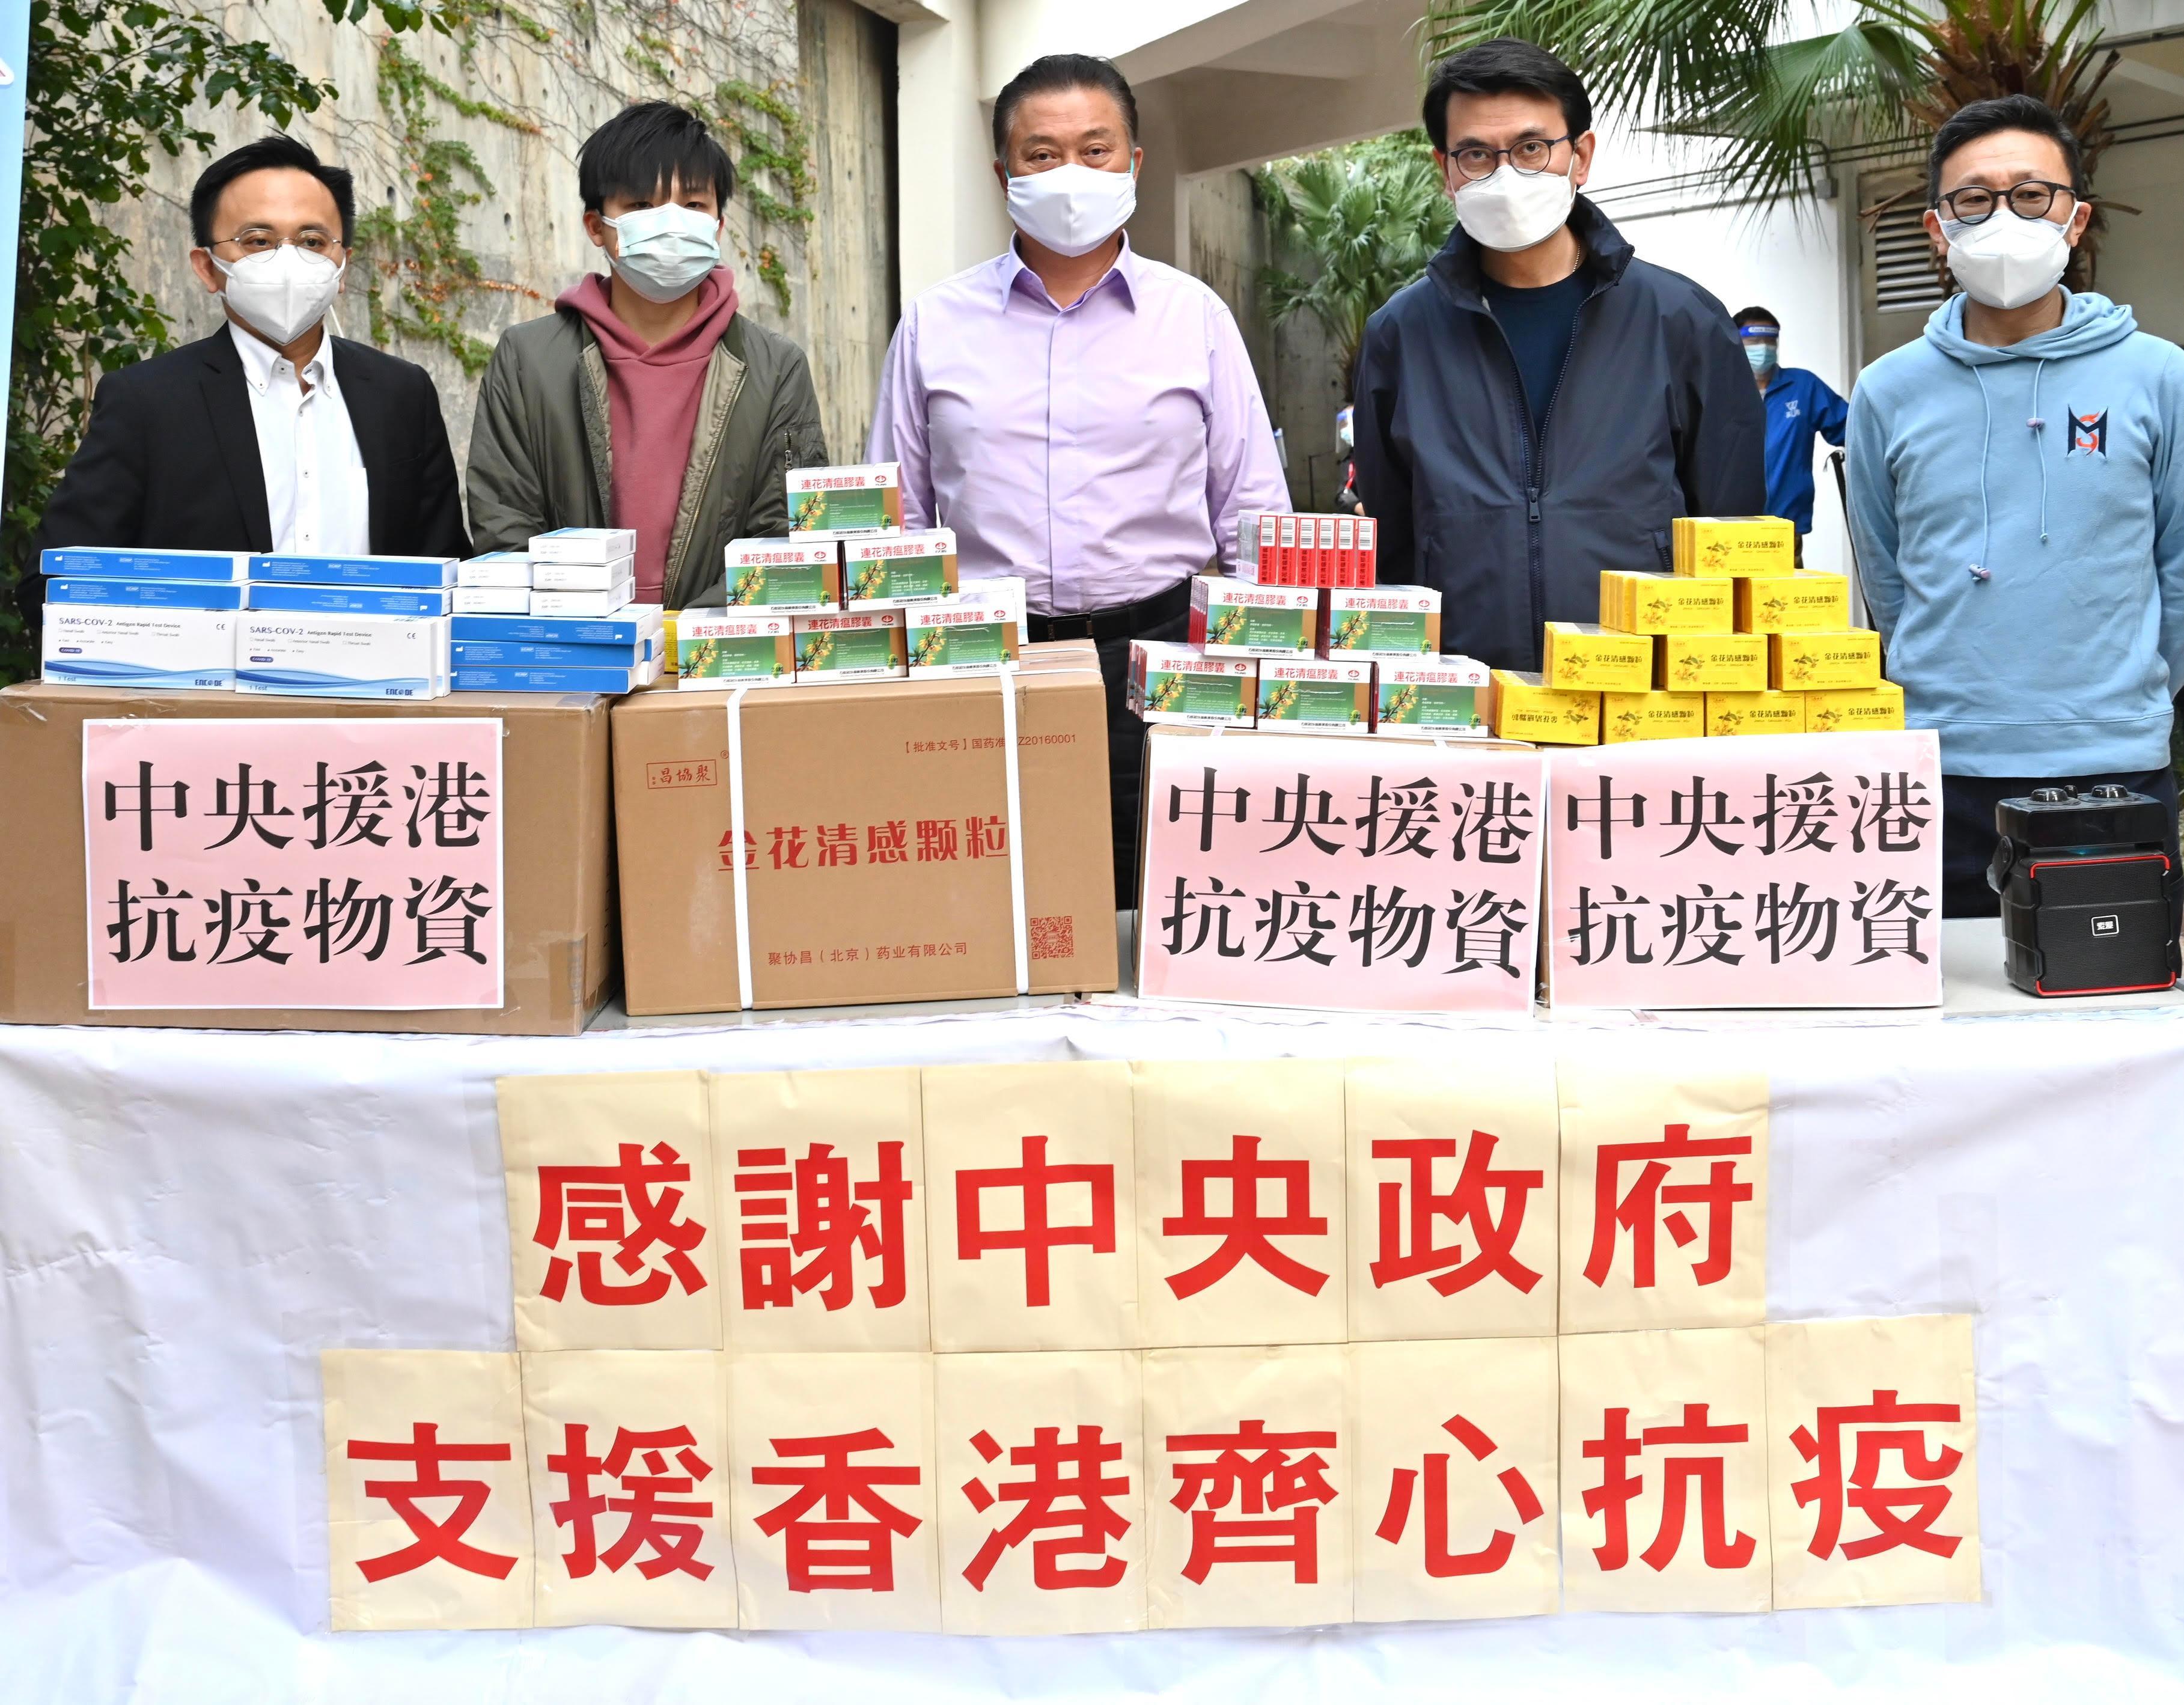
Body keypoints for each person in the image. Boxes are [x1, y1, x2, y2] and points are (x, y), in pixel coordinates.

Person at [866, 53, 1288, 905]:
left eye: (1095, 150)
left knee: (1157, 895)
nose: (1070, 174)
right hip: (985, 657)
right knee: (993, 897)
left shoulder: (1194, 318)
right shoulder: (935, 324)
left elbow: (1252, 515)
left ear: (1133, 164)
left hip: (1161, 656)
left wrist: (1264, 680)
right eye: (1041, 153)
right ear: (1003, 174)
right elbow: (896, 517)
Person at [1847, 93, 2184, 921]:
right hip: (1938, 768)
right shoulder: (1885, 390)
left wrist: (2127, 696)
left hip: (2113, 765)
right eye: (1973, 199)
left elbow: (2177, 567)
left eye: (2031, 195)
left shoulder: (2158, 375)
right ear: (1937, 229)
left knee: (2117, 993)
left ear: (2075, 219)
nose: (2004, 217)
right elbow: (1885, 576)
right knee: (1944, 994)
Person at [1350, 40, 1765, 671]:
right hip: (1465, 695)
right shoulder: (1399, 336)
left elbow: (1733, 538)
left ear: (1581, 156)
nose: (1505, 175)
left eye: (1530, 148)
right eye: (1475, 155)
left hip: (1641, 696)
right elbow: (1393, 544)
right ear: (1445, 170)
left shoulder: (1683, 322)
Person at [29, 133, 471, 606]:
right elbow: (54, 583)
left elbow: (446, 569)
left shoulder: (401, 393)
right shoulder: (146, 402)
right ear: (207, 268)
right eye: (258, 241)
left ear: (343, 266)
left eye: (313, 241)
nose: (288, 259)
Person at [466, 101, 827, 609]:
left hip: (717, 648)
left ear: (718, 225)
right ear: (596, 226)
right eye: (641, 205)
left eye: (693, 204)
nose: (671, 223)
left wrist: (689, 637)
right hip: (578, 643)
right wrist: (601, 632)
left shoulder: (775, 368)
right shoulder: (528, 361)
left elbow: (788, 535)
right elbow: (505, 528)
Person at [1735, 305, 1849, 562]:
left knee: (1783, 589)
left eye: (1770, 341)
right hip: (1728, 529)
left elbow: (1853, 429)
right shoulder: (1719, 390)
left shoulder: (1803, 387)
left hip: (1785, 528)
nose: (1764, 348)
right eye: (1754, 341)